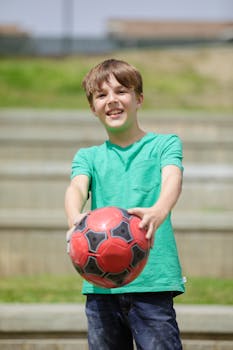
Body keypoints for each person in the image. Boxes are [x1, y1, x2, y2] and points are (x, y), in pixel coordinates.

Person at [65, 58, 185, 350]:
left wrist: (159, 210)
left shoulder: (164, 144)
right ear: (92, 107)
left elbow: (173, 179)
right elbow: (76, 188)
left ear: (139, 98)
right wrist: (74, 218)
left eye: (121, 91)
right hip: (100, 285)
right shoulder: (88, 157)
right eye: (101, 95)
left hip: (152, 283)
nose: (112, 100)